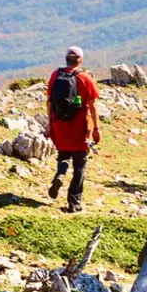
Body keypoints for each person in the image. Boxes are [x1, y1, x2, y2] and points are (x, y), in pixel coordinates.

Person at [46, 46, 100, 212]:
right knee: (79, 166)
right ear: (80, 60)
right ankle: (74, 203)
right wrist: (97, 128)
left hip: (59, 125)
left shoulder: (55, 75)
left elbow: (49, 101)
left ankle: (60, 173)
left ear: (66, 59)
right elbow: (92, 105)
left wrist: (50, 123)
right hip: (79, 127)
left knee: (63, 155)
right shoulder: (85, 77)